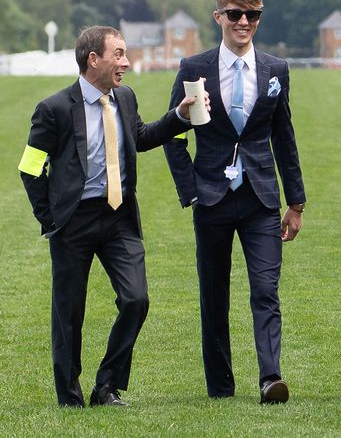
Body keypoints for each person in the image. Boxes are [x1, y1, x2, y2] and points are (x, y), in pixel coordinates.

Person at [19, 26, 205, 407]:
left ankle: (106, 387)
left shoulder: (126, 97)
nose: (126, 62)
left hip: (119, 217)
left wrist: (179, 116)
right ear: (93, 59)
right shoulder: (54, 109)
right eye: (118, 54)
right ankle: (69, 397)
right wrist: (51, 219)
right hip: (73, 222)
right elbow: (30, 167)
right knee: (69, 312)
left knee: (136, 299)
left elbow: (141, 136)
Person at [163, 0, 306, 404]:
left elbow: (284, 136)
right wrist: (190, 190)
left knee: (266, 289)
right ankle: (220, 386)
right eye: (235, 14)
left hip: (261, 199)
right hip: (210, 197)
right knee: (214, 295)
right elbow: (174, 134)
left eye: (252, 15)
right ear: (218, 16)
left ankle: (270, 378)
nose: (244, 22)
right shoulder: (194, 69)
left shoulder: (276, 69)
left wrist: (296, 202)